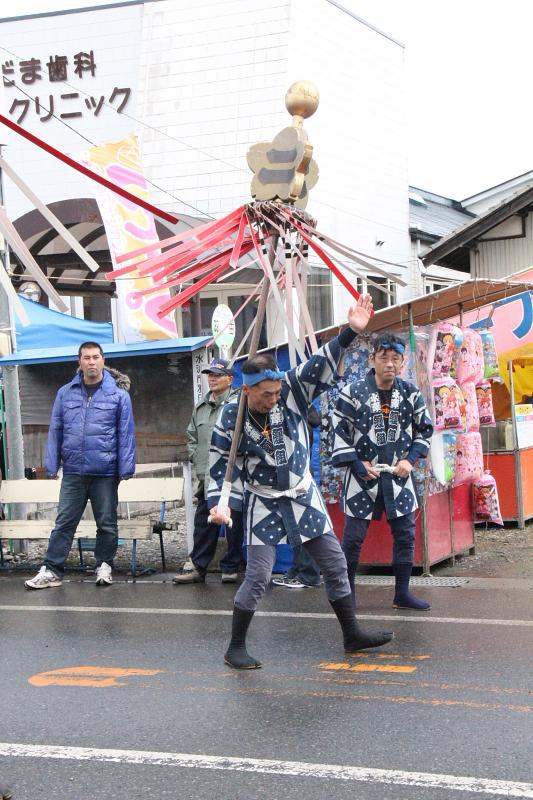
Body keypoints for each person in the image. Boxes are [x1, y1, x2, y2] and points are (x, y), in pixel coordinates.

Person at [208, 296, 393, 670]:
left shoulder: (290, 389)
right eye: (265, 395)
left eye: (276, 393)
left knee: (335, 564)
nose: (274, 399)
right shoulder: (230, 417)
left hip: (301, 494)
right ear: (246, 390)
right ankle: (235, 646)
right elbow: (218, 466)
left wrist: (350, 333)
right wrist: (221, 502)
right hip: (264, 501)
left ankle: (351, 634)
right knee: (258, 575)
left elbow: (318, 363)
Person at [331, 333, 434, 610]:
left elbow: (425, 428)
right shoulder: (351, 392)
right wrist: (355, 463)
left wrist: (411, 460)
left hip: (399, 477)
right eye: (383, 357)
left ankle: (402, 593)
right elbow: (338, 431)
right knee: (353, 538)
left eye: (395, 359)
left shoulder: (410, 393)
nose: (390, 364)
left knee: (405, 534)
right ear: (372, 358)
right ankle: (347, 595)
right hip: (363, 477)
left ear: (402, 362)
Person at [25, 341, 136, 590]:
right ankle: (52, 570)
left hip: (105, 471)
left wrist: (125, 468)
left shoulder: (119, 395)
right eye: (86, 357)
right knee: (64, 522)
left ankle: (104, 565)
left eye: (96, 357)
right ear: (80, 362)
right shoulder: (65, 393)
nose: (91, 362)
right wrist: (51, 466)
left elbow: (126, 433)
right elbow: (56, 430)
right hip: (74, 471)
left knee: (106, 523)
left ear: (103, 360)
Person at [173, 358, 244, 585]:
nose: (212, 378)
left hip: (233, 476)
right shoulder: (201, 407)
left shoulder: (239, 404)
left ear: (230, 379)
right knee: (204, 522)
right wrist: (196, 457)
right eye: (209, 374)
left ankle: (231, 567)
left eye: (217, 374)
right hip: (207, 476)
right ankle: (198, 567)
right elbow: (191, 436)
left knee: (233, 523)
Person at [272, 404, 322, 589]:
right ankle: (298, 569)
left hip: (298, 477)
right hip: (290, 476)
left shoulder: (296, 408)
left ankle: (308, 574)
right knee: (293, 527)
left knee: (303, 526)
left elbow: (315, 420)